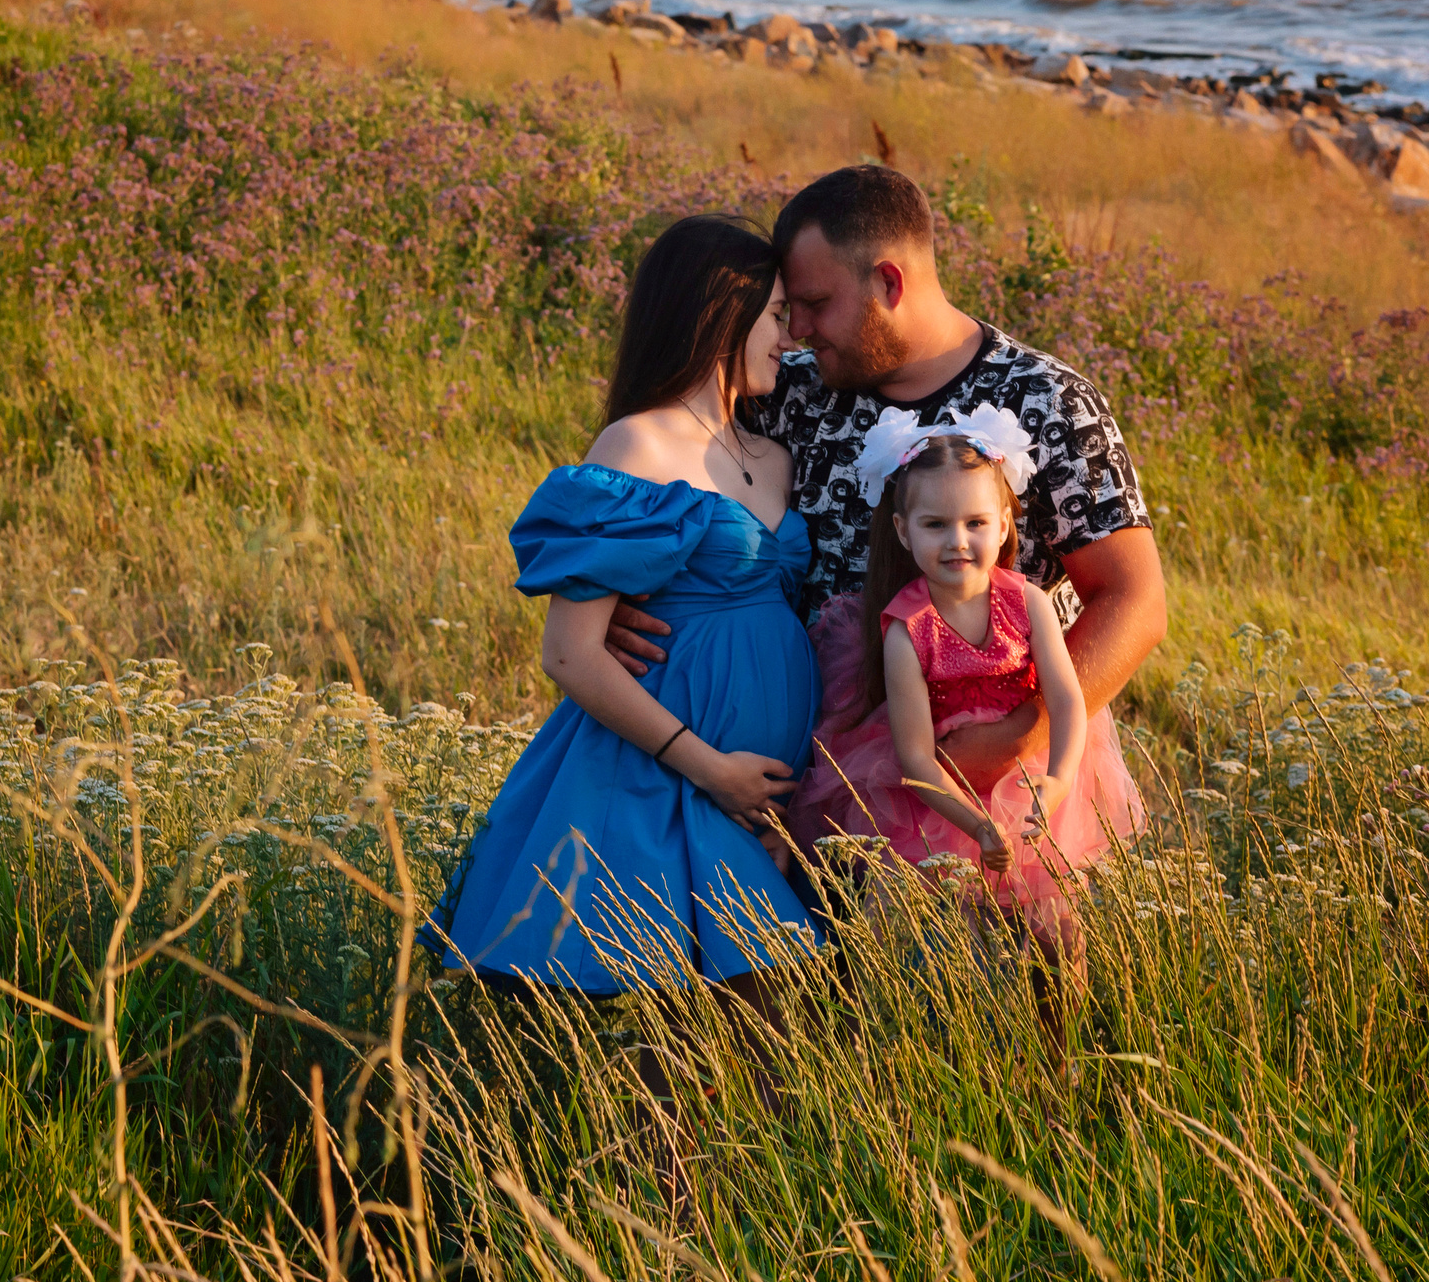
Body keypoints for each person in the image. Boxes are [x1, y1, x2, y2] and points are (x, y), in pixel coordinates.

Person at [608, 163, 1163, 838]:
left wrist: (1023, 733)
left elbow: (1135, 599)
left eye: (814, 302)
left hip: (993, 777)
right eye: (789, 310)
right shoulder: (790, 393)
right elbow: (663, 476)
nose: (798, 330)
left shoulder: (1047, 402)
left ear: (889, 282)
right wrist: (621, 603)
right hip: (809, 771)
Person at [423, 215, 819, 1000]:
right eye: (776, 314)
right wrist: (715, 772)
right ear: (722, 313)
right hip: (666, 775)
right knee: (691, 1034)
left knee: (759, 1033)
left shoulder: (775, 453)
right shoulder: (635, 448)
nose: (789, 336)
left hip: (763, 790)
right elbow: (570, 652)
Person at [789, 415, 1140, 979]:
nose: (957, 541)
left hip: (1030, 777)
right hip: (937, 798)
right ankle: (938, 1046)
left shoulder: (1029, 602)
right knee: (944, 945)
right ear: (904, 532)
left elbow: (1070, 700)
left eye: (975, 522)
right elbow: (915, 758)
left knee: (1057, 938)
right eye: (936, 524)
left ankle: (1061, 1057)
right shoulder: (906, 629)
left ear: (1003, 525)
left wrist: (1059, 779)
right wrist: (977, 824)